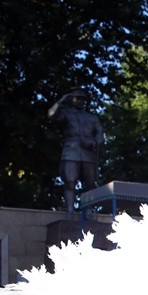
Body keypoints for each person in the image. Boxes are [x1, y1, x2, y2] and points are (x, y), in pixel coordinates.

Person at [48, 88, 105, 219]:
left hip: (88, 153)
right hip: (71, 151)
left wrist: (93, 143)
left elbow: (100, 136)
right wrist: (61, 101)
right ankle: (70, 211)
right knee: (69, 182)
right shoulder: (66, 114)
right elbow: (51, 115)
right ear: (71, 99)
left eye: (82, 99)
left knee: (90, 184)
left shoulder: (92, 118)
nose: (80, 101)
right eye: (77, 98)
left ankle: (89, 212)